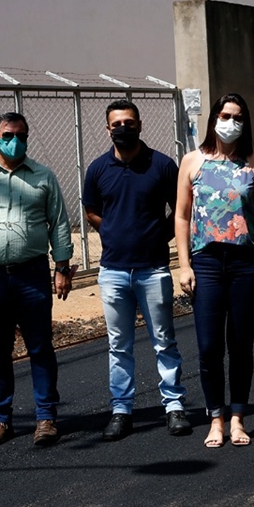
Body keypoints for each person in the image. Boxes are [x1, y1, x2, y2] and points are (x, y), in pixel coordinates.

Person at [0, 111, 76, 447]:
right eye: (8, 134)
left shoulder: (43, 177)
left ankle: (46, 417)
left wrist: (62, 269)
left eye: (21, 134)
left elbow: (59, 224)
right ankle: (0, 420)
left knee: (40, 347)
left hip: (32, 275)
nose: (15, 140)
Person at [83, 99, 190, 441]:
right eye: (116, 124)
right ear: (107, 129)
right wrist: (113, 232)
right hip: (113, 272)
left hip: (153, 269)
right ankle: (121, 411)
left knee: (164, 341)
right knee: (119, 345)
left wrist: (159, 234)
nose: (123, 129)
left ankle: (174, 407)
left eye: (129, 123)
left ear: (140, 125)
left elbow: (180, 210)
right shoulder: (98, 169)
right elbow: (91, 212)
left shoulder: (161, 165)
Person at [174, 93, 254, 448]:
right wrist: (184, 264)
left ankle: (237, 418)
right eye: (224, 115)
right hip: (206, 262)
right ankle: (215, 417)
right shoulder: (192, 161)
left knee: (241, 344)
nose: (230, 122)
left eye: (237, 116)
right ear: (213, 119)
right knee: (208, 345)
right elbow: (183, 215)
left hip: (247, 262)